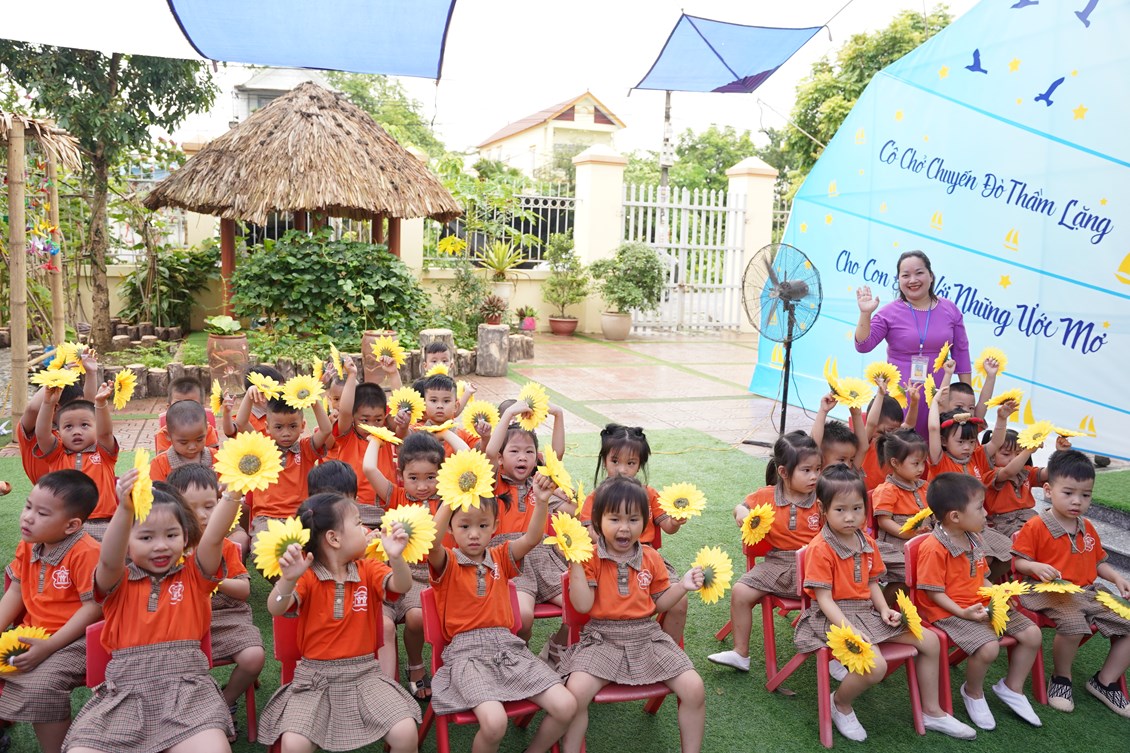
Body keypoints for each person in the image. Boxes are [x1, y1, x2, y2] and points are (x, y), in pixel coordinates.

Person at [791, 465, 976, 742]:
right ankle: (839, 703)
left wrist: (885, 608)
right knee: (875, 666)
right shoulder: (821, 548)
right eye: (840, 510)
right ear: (822, 509)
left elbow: (872, 583)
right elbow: (824, 599)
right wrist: (849, 629)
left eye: (857, 509)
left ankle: (931, 711)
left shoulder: (867, 542)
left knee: (930, 641)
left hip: (866, 612)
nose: (850, 517)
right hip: (832, 618)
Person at [63, 469, 241, 752]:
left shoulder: (195, 575)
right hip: (124, 695)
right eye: (146, 538)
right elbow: (108, 561)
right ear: (127, 543)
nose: (160, 546)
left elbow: (214, 538)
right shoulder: (116, 582)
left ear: (185, 536)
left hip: (188, 693)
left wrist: (233, 494)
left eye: (171, 534)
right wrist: (125, 509)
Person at [258, 493, 420, 752]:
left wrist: (396, 557)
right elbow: (275, 607)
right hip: (314, 680)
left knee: (406, 732)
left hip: (365, 675)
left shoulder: (368, 569)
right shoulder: (306, 577)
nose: (366, 530)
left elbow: (402, 585)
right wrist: (287, 580)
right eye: (358, 523)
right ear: (334, 539)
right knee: (294, 744)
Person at [426, 476, 576, 753]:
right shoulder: (447, 562)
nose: (474, 534)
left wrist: (542, 501)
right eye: (464, 526)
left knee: (567, 705)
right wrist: (450, 498)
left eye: (482, 526)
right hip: (466, 655)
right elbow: (431, 544)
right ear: (450, 528)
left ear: (495, 526)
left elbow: (531, 539)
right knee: (495, 724)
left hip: (509, 649)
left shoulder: (500, 556)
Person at [558, 476, 706, 753]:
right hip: (601, 638)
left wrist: (683, 586)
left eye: (633, 519)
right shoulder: (589, 557)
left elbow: (660, 604)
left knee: (694, 688)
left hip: (647, 636)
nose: (624, 528)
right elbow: (583, 605)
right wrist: (575, 563)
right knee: (575, 693)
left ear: (645, 522)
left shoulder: (651, 557)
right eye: (615, 519)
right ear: (598, 521)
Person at [915, 473, 1043, 730]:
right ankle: (973, 692)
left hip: (979, 603)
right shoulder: (933, 548)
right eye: (980, 507)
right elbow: (933, 593)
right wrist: (963, 613)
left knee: (1032, 635)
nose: (986, 513)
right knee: (989, 648)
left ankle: (1012, 687)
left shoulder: (975, 538)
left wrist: (998, 594)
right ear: (955, 516)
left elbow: (981, 577)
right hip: (947, 611)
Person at [1013, 450, 1130, 717]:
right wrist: (1034, 567)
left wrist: (1117, 578)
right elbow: (1018, 562)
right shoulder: (1036, 526)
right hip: (1047, 592)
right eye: (1068, 493)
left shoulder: (1087, 526)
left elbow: (1098, 562)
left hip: (1086, 592)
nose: (1077, 501)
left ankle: (1105, 681)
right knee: (1074, 624)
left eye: (1085, 495)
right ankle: (1061, 678)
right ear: (1048, 490)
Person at [0, 470, 102, 753]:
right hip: (31, 634)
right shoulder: (29, 544)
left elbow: (93, 607)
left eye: (41, 513)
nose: (28, 517)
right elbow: (16, 591)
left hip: (76, 640)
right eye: (28, 506)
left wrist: (49, 646)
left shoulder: (86, 552)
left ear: (71, 525)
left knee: (41, 686)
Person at [708, 431, 822, 672]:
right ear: (783, 472)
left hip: (815, 564)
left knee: (836, 595)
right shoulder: (766, 495)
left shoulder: (822, 497)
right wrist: (741, 512)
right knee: (740, 591)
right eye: (806, 470)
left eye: (817, 469)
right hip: (777, 563)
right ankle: (740, 653)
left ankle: (834, 656)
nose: (814, 476)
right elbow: (740, 507)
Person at [166, 465, 264, 740]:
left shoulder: (227, 546)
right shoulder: (168, 549)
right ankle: (192, 711)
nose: (202, 514)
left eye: (210, 506)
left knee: (254, 657)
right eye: (191, 507)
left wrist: (213, 580)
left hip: (226, 617)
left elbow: (243, 590)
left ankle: (225, 701)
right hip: (184, 621)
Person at [364, 431, 460, 697]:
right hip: (393, 571)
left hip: (427, 575)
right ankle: (390, 679)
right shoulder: (395, 495)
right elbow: (369, 468)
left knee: (419, 617)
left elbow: (467, 461)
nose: (422, 486)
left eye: (431, 477)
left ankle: (419, 663)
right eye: (413, 478)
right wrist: (377, 438)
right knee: (389, 622)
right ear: (401, 475)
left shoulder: (446, 499)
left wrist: (446, 432)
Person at [577, 423, 687, 644]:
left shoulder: (649, 494)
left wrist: (675, 521)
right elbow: (589, 533)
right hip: (607, 560)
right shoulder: (597, 496)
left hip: (647, 561)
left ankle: (669, 648)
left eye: (631, 463)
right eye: (615, 461)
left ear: (640, 465)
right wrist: (612, 538)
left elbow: (668, 527)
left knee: (679, 601)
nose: (622, 469)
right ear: (604, 460)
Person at [854, 250, 971, 437]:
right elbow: (863, 345)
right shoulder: (889, 312)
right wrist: (865, 314)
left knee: (936, 444)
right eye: (905, 275)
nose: (913, 280)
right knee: (902, 446)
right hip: (901, 397)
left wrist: (968, 400)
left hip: (939, 396)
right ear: (899, 280)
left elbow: (962, 354)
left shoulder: (950, 309)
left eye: (919, 273)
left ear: (931, 276)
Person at [236, 390, 331, 544]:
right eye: (279, 427)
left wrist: (313, 402)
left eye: (293, 426)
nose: (286, 433)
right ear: (267, 427)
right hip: (266, 518)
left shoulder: (306, 448)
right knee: (262, 552)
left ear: (302, 425)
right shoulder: (262, 447)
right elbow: (241, 423)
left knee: (310, 548)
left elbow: (326, 429)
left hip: (300, 516)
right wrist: (248, 395)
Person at [34, 384, 118, 542]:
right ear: (58, 432)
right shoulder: (56, 455)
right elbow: (42, 435)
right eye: (68, 426)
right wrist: (48, 403)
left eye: (84, 425)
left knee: (106, 558)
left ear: (96, 427)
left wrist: (101, 404)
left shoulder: (104, 453)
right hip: (62, 525)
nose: (76, 431)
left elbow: (106, 433)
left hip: (101, 525)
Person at [325, 356, 393, 526]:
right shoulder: (347, 435)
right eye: (365, 420)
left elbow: (401, 405)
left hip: (387, 507)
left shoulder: (385, 433)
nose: (372, 425)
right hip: (355, 506)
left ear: (384, 416)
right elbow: (345, 411)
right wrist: (352, 375)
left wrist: (393, 373)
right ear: (354, 417)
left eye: (378, 419)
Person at [871, 427, 932, 591]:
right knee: (909, 573)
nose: (921, 468)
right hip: (896, 545)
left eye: (923, 462)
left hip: (925, 542)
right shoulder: (887, 490)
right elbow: (884, 521)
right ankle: (883, 604)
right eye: (915, 463)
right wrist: (907, 533)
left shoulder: (925, 487)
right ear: (895, 463)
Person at [982, 429, 1070, 536]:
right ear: (992, 457)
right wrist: (1028, 451)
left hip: (1029, 517)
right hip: (1003, 523)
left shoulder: (1026, 471)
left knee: (1057, 530)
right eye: (1006, 454)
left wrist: (1060, 453)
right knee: (1024, 536)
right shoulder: (990, 474)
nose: (1013, 458)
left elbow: (1048, 473)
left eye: (1018, 454)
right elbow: (1009, 472)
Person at [150, 400, 214, 482]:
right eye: (184, 442)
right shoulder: (159, 464)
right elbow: (156, 489)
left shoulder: (216, 458)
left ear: (207, 430)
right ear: (168, 435)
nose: (192, 447)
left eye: (199, 440)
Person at [417, 373, 481, 455]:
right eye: (434, 400)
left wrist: (485, 437)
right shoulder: (417, 431)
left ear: (456, 406)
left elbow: (482, 451)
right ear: (424, 405)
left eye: (446, 401)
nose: (440, 406)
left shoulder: (463, 434)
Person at [154, 377, 221, 453]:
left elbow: (214, 457)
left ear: (202, 408)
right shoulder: (165, 434)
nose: (185, 409)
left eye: (192, 404)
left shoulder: (207, 431)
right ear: (169, 408)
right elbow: (163, 459)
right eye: (178, 404)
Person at [811, 392, 867, 470]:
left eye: (851, 460)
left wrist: (856, 414)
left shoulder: (850, 472)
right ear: (821, 458)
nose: (848, 465)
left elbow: (862, 448)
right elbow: (813, 447)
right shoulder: (817, 474)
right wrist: (823, 411)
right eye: (841, 460)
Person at [225, 365, 285, 438]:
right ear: (255, 394)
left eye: (282, 391)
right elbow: (232, 430)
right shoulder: (245, 417)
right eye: (274, 392)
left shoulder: (283, 413)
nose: (280, 396)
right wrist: (226, 413)